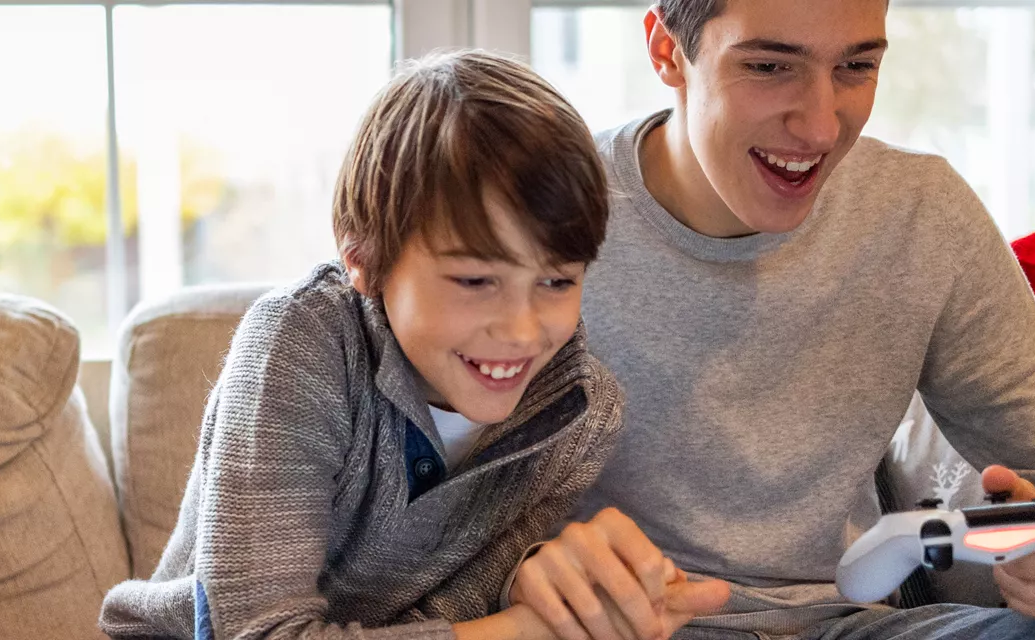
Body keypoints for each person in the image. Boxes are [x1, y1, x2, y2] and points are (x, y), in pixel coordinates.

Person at [503, 1, 1035, 639]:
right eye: (770, 67)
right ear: (669, 51)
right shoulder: (539, 218)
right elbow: (416, 523)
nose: (822, 125)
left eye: (856, 68)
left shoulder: (922, 217)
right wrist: (523, 578)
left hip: (859, 624)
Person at [98, 50, 703, 639]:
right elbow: (259, 631)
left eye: (556, 281)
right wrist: (524, 629)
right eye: (474, 280)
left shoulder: (579, 416)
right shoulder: (299, 344)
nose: (521, 329)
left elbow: (450, 616)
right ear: (363, 259)